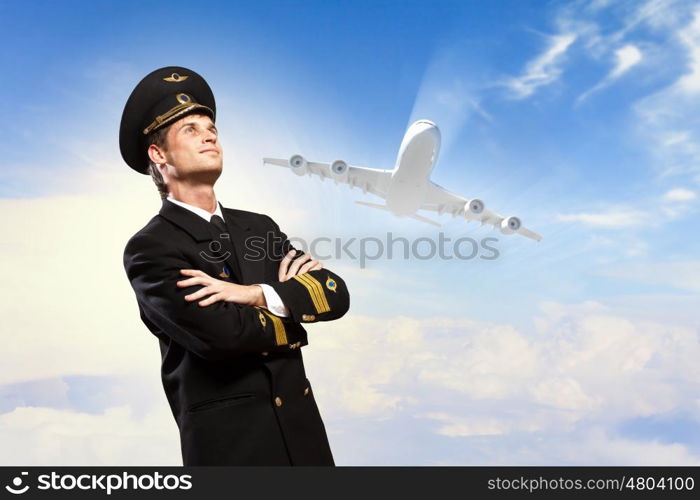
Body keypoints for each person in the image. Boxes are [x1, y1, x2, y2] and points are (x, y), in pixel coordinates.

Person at [119, 66, 350, 465]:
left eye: (211, 127)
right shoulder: (151, 249)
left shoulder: (258, 227)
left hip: (306, 443)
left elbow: (335, 293)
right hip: (233, 452)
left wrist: (254, 295)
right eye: (189, 129)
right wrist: (291, 306)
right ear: (158, 155)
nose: (209, 135)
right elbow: (222, 336)